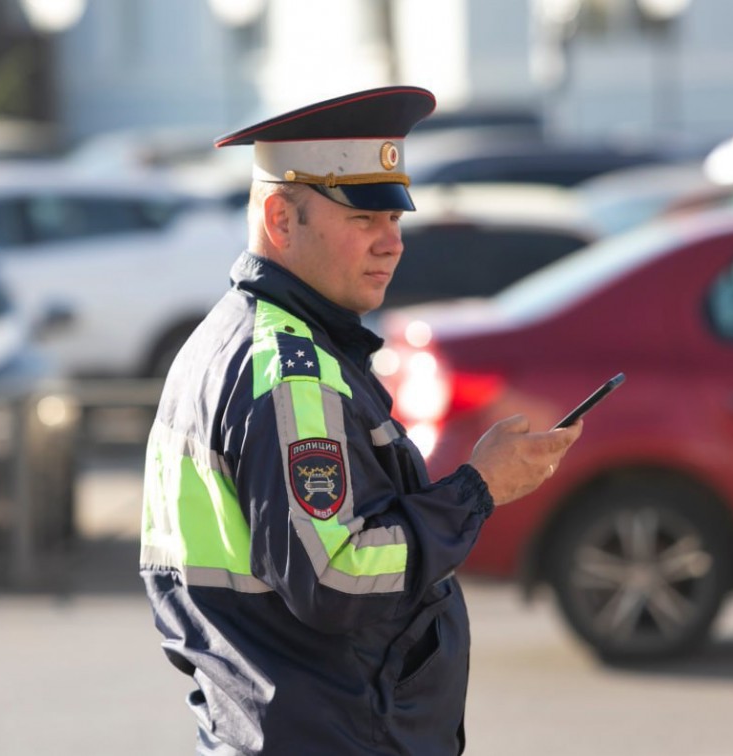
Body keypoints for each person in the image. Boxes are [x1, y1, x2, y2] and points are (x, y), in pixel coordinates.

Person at [140, 85, 583, 755]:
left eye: (395, 220)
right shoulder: (289, 371)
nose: (391, 243)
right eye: (363, 219)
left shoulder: (234, 339)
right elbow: (335, 580)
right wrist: (477, 488)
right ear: (281, 219)